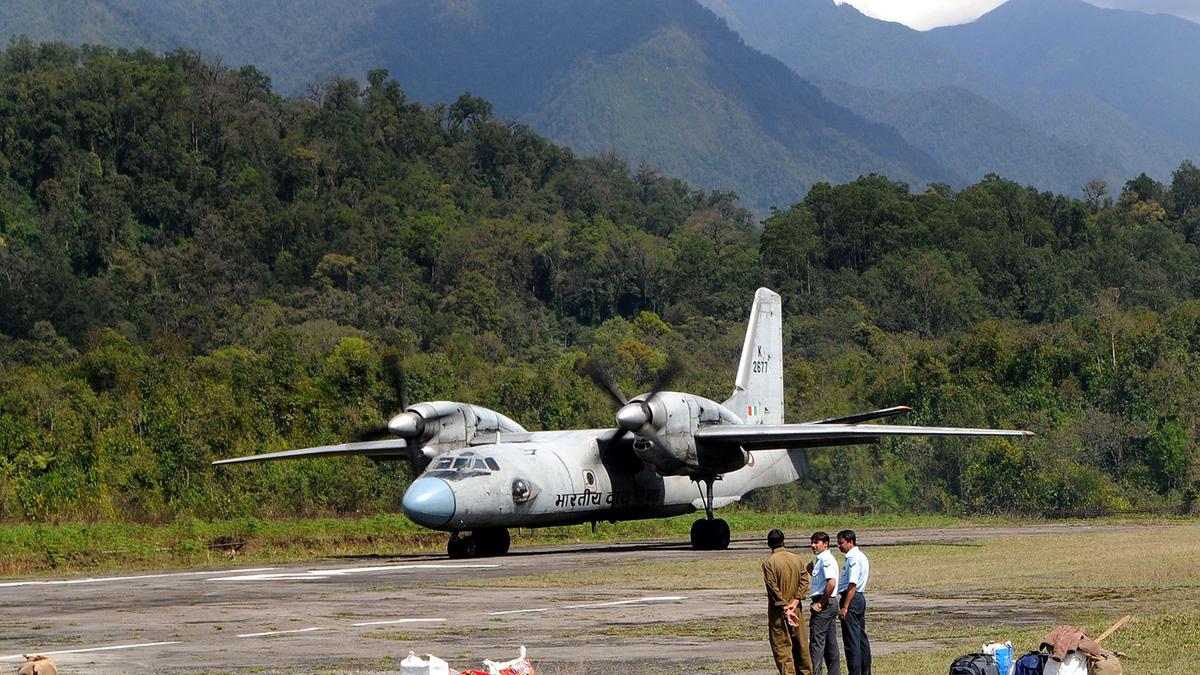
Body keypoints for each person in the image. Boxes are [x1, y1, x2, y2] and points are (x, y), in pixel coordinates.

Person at [762, 528, 814, 675]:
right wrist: (796, 601)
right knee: (802, 647)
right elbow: (804, 580)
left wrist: (785, 608)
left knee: (782, 649)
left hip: (780, 611)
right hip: (796, 609)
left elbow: (773, 588)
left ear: (769, 544)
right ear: (783, 541)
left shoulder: (769, 563)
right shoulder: (796, 559)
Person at [836, 529, 871, 675]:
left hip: (852, 598)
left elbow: (852, 584)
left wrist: (845, 606)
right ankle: (865, 671)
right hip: (858, 598)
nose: (839, 546)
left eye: (841, 543)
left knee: (852, 641)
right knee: (860, 638)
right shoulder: (860, 555)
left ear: (850, 542)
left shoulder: (853, 558)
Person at [808, 531, 842, 675]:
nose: (813, 545)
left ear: (826, 544)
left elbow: (831, 583)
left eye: (817, 542)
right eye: (812, 542)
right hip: (830, 602)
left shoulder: (825, 559)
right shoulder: (821, 559)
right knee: (830, 643)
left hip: (825, 603)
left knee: (817, 642)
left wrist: (821, 603)